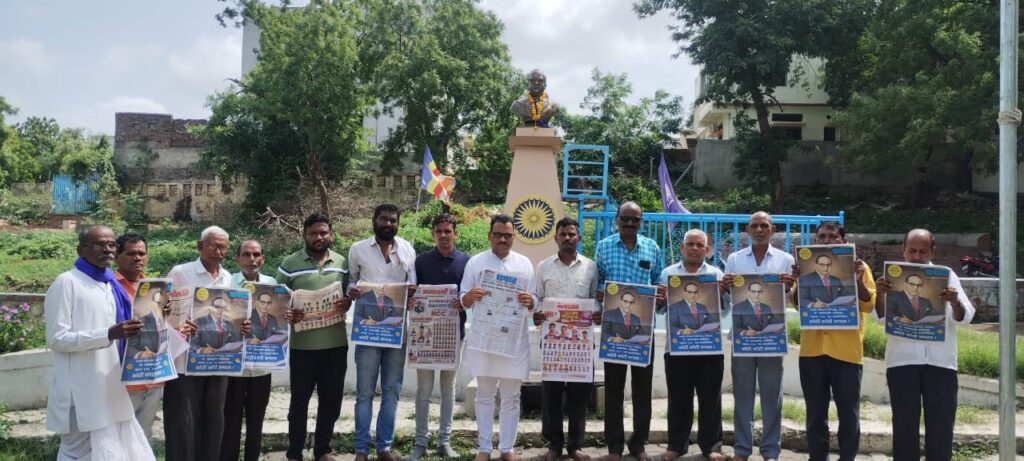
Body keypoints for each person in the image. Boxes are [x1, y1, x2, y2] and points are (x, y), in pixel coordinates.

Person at [45, 225, 156, 460]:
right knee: (77, 451)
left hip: (111, 383)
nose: (107, 249)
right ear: (81, 249)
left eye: (111, 244)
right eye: (99, 244)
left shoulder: (109, 285)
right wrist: (107, 334)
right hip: (80, 388)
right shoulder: (67, 282)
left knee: (118, 448)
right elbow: (56, 339)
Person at [874, 229, 974, 461]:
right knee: (904, 426)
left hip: (941, 364)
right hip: (902, 362)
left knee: (941, 427)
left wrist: (955, 302)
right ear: (903, 250)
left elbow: (965, 317)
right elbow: (879, 318)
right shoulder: (892, 278)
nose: (917, 256)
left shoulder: (946, 275)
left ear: (932, 251)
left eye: (923, 251)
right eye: (912, 251)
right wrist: (879, 296)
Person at [793, 221, 876, 461]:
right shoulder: (805, 270)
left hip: (847, 352)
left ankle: (847, 457)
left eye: (832, 236)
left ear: (843, 241)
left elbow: (868, 305)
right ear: (815, 242)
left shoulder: (859, 268)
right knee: (816, 412)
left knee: (848, 413)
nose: (827, 240)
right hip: (812, 352)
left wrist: (857, 279)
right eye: (821, 237)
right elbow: (798, 304)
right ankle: (817, 457)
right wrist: (798, 281)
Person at [461, 214, 537, 461]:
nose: (503, 239)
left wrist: (530, 300)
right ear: (489, 236)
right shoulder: (475, 263)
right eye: (498, 234)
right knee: (484, 395)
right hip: (484, 340)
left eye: (507, 235)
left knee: (511, 396)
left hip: (513, 340)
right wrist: (471, 296)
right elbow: (462, 300)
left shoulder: (524, 263)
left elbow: (535, 300)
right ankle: (484, 448)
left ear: (514, 237)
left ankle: (506, 449)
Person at [276, 213, 351, 461]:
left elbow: (349, 295)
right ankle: (294, 452)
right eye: (313, 233)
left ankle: (322, 450)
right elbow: (277, 300)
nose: (318, 237)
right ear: (304, 235)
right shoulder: (289, 263)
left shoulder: (342, 262)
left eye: (323, 233)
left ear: (330, 234)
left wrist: (347, 303)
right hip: (303, 347)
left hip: (335, 345)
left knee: (331, 402)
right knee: (299, 403)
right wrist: (287, 312)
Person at [165, 225, 244, 461]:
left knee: (214, 419)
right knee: (184, 421)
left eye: (223, 247)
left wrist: (242, 326)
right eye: (214, 246)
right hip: (185, 361)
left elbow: (231, 315)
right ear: (201, 246)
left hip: (218, 361)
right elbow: (163, 309)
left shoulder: (228, 277)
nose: (219, 251)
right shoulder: (180, 272)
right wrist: (177, 325)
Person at [593, 201, 664, 461]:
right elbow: (598, 280)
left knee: (642, 389)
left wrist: (659, 297)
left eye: (636, 219)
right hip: (614, 329)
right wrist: (601, 292)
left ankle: (639, 444)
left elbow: (657, 282)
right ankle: (614, 446)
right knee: (614, 389)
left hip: (643, 330)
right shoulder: (604, 247)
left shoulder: (652, 247)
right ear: (617, 219)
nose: (630, 223)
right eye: (626, 219)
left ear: (641, 221)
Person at [722, 211, 795, 461]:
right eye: (754, 225)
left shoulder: (786, 260)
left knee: (771, 394)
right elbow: (728, 298)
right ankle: (742, 449)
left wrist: (790, 284)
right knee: (742, 393)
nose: (759, 229)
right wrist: (724, 286)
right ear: (748, 230)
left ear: (772, 229)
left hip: (772, 338)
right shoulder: (734, 259)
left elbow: (789, 296)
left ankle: (770, 450)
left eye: (764, 225)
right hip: (742, 337)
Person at [348, 204, 417, 461]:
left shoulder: (408, 248)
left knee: (392, 390)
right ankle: (361, 449)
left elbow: (413, 286)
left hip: (397, 332)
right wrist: (352, 291)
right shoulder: (358, 249)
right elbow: (350, 281)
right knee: (364, 392)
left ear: (398, 223)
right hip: (367, 334)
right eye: (383, 219)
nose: (388, 224)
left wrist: (412, 293)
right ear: (374, 220)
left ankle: (384, 447)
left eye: (392, 220)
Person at [531, 218, 600, 461]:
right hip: (553, 342)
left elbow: (595, 297)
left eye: (572, 234)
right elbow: (538, 297)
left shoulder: (590, 267)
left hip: (580, 342)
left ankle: (575, 445)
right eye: (563, 234)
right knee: (551, 394)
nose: (568, 238)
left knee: (579, 395)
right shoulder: (543, 267)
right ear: (556, 238)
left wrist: (596, 312)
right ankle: (553, 444)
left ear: (579, 238)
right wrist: (537, 313)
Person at [656, 229, 725, 461]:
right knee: (678, 398)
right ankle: (677, 445)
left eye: (699, 245)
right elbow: (660, 310)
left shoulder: (716, 274)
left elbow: (722, 311)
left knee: (710, 399)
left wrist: (723, 292)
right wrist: (661, 298)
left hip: (709, 349)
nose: (695, 248)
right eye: (690, 244)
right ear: (682, 248)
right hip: (676, 349)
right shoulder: (668, 273)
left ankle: (712, 447)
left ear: (707, 250)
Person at [408, 213, 470, 461]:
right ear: (432, 234)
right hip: (424, 337)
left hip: (454, 335)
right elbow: (411, 295)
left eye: (448, 231)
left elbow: (470, 297)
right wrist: (412, 300)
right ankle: (420, 443)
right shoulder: (420, 262)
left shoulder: (466, 262)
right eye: (439, 231)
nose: (444, 235)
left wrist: (463, 303)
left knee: (448, 389)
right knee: (423, 389)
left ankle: (444, 441)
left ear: (455, 233)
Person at [222, 239, 290, 461]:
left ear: (263, 258)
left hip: (262, 366)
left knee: (256, 420)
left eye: (256, 254)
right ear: (237, 258)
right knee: (230, 419)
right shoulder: (227, 282)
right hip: (234, 367)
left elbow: (278, 323)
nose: (252, 259)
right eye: (246, 254)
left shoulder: (273, 285)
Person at [113, 233, 165, 443]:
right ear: (117, 256)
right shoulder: (109, 287)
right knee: (118, 435)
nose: (137, 258)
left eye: (142, 253)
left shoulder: (155, 288)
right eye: (131, 253)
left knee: (144, 436)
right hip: (121, 375)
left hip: (153, 374)